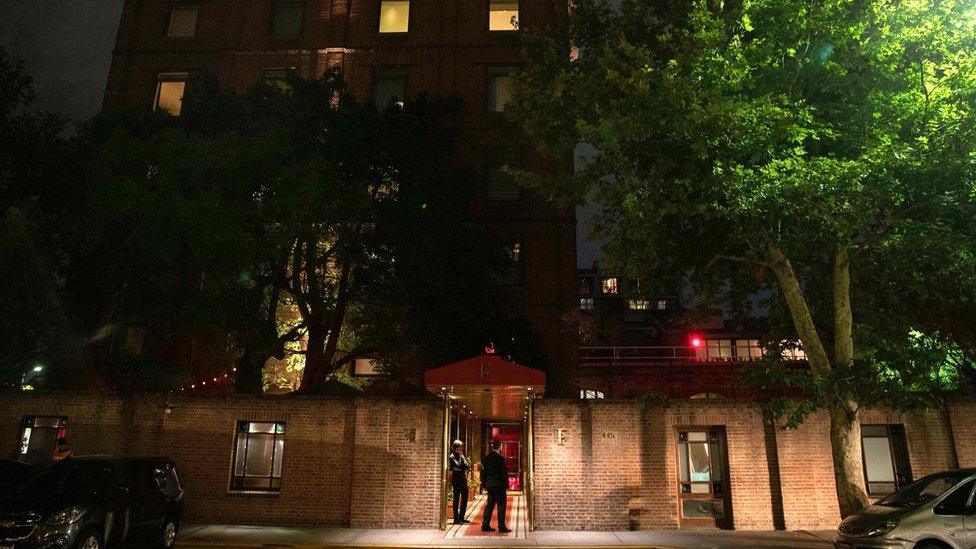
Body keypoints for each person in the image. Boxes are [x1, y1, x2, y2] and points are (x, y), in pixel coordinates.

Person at [480, 439, 510, 533]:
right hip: (499, 485)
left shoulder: (486, 458)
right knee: (501, 505)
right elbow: (503, 474)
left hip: (489, 485)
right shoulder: (500, 459)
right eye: (501, 446)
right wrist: (506, 486)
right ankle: (501, 526)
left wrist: (484, 484)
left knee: (489, 505)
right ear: (499, 447)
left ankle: (485, 525)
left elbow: (483, 473)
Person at [449, 440, 471, 524]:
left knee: (465, 497)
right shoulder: (452, 457)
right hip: (456, 481)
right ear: (457, 447)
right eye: (461, 447)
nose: (462, 448)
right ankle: (456, 518)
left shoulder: (461, 456)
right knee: (456, 499)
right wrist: (461, 467)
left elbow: (467, 466)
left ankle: (462, 516)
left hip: (462, 479)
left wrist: (460, 468)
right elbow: (455, 467)